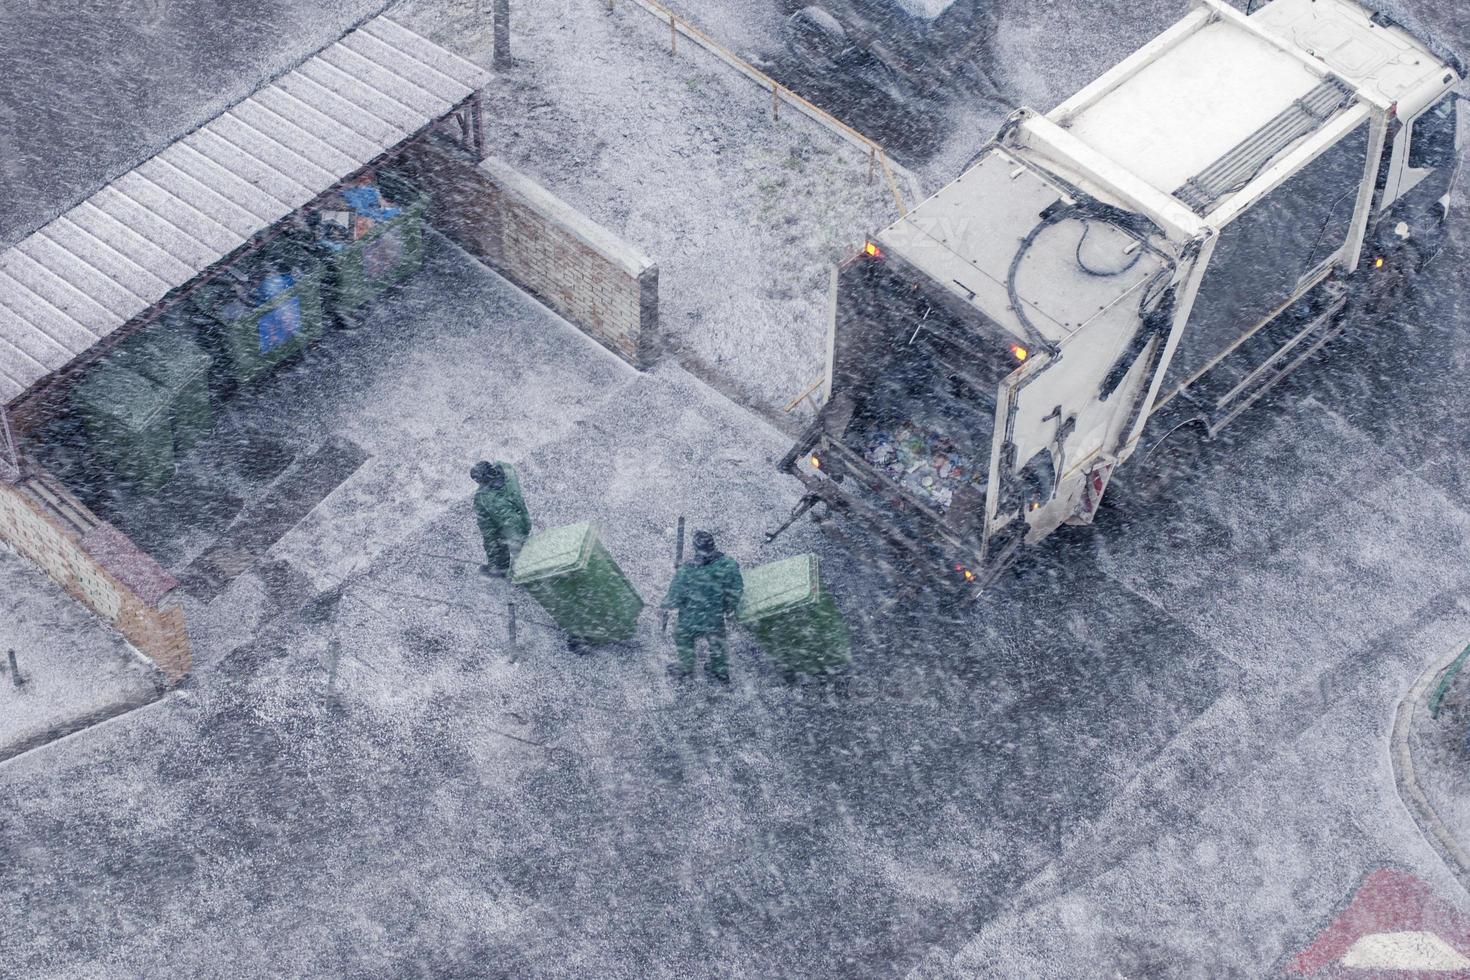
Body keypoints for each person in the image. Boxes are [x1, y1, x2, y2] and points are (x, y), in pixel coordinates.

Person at [660, 530, 743, 682]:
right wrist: (727, 606)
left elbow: (674, 598)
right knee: (717, 642)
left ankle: (686, 667)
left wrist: (664, 604)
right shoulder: (728, 564)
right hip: (714, 617)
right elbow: (736, 589)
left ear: (695, 548)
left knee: (683, 638)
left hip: (689, 619)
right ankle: (719, 671)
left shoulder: (686, 571)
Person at [472, 460, 531, 577]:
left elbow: (492, 532)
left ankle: (501, 567)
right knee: (501, 528)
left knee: (494, 532)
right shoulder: (507, 470)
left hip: (516, 531)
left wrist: (517, 558)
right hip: (525, 520)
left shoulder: (487, 499)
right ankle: (504, 564)